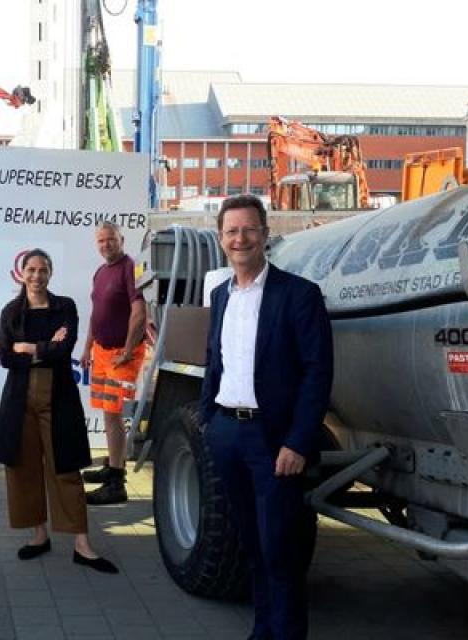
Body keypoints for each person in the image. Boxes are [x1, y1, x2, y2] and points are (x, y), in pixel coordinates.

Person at [200, 195, 333, 640]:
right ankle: (263, 631)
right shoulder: (220, 295)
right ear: (221, 239)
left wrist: (298, 441)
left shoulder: (299, 295)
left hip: (273, 441)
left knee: (281, 550)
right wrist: (208, 419)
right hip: (226, 434)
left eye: (249, 230)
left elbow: (317, 372)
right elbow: (215, 360)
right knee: (251, 547)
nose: (240, 239)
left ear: (265, 234)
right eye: (231, 231)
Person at [0, 249, 118, 574]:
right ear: (21, 273)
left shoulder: (65, 307)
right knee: (24, 468)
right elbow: (6, 357)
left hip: (58, 396)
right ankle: (38, 535)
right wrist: (46, 347)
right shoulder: (11, 312)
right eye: (31, 270)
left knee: (66, 468)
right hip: (19, 399)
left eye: (43, 270)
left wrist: (29, 348)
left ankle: (82, 544)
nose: (37, 276)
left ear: (50, 273)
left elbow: (64, 351)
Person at [80, 222, 146, 505]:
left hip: (122, 354)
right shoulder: (100, 272)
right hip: (102, 353)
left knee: (113, 413)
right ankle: (113, 466)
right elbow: (96, 314)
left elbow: (139, 311)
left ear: (122, 239)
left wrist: (128, 350)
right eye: (101, 240)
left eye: (111, 239)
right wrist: (87, 348)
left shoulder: (131, 268)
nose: (106, 244)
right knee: (108, 415)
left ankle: (117, 483)